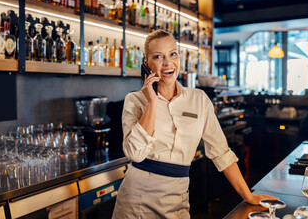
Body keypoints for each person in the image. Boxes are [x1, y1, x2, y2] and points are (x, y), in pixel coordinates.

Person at [112, 30, 276, 218]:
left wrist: (248, 196)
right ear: (146, 65)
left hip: (177, 200)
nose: (167, 63)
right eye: (158, 57)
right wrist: (152, 103)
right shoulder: (135, 100)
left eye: (172, 54)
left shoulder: (199, 99)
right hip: (136, 202)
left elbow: (221, 152)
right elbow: (135, 153)